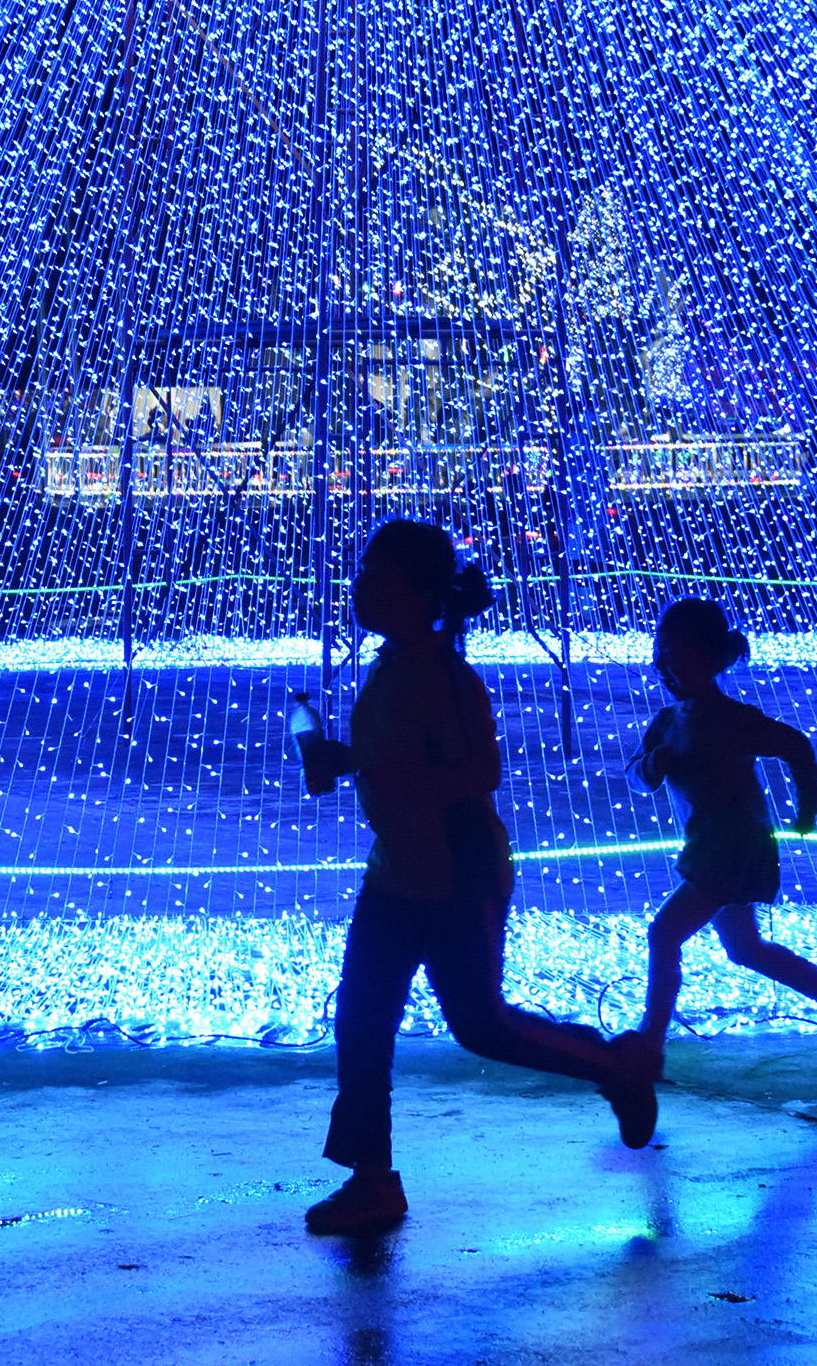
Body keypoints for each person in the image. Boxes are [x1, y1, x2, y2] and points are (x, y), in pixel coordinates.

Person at [296, 520, 656, 1236]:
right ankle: (372, 1179)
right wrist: (341, 759)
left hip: (457, 874)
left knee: (480, 1025)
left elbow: (481, 772)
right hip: (397, 870)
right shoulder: (394, 662)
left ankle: (614, 1064)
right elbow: (391, 758)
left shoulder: (444, 676)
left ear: (418, 591)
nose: (359, 581)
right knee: (362, 1020)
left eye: (376, 570)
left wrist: (383, 772)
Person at [616, 598, 817, 1076]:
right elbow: (635, 775)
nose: (661, 663)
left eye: (674, 654)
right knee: (743, 948)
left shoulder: (733, 719)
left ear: (708, 659)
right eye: (658, 651)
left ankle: (650, 1043)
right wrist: (652, 765)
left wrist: (807, 803)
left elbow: (797, 746)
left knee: (664, 933)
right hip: (710, 846)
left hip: (734, 847)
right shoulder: (669, 721)